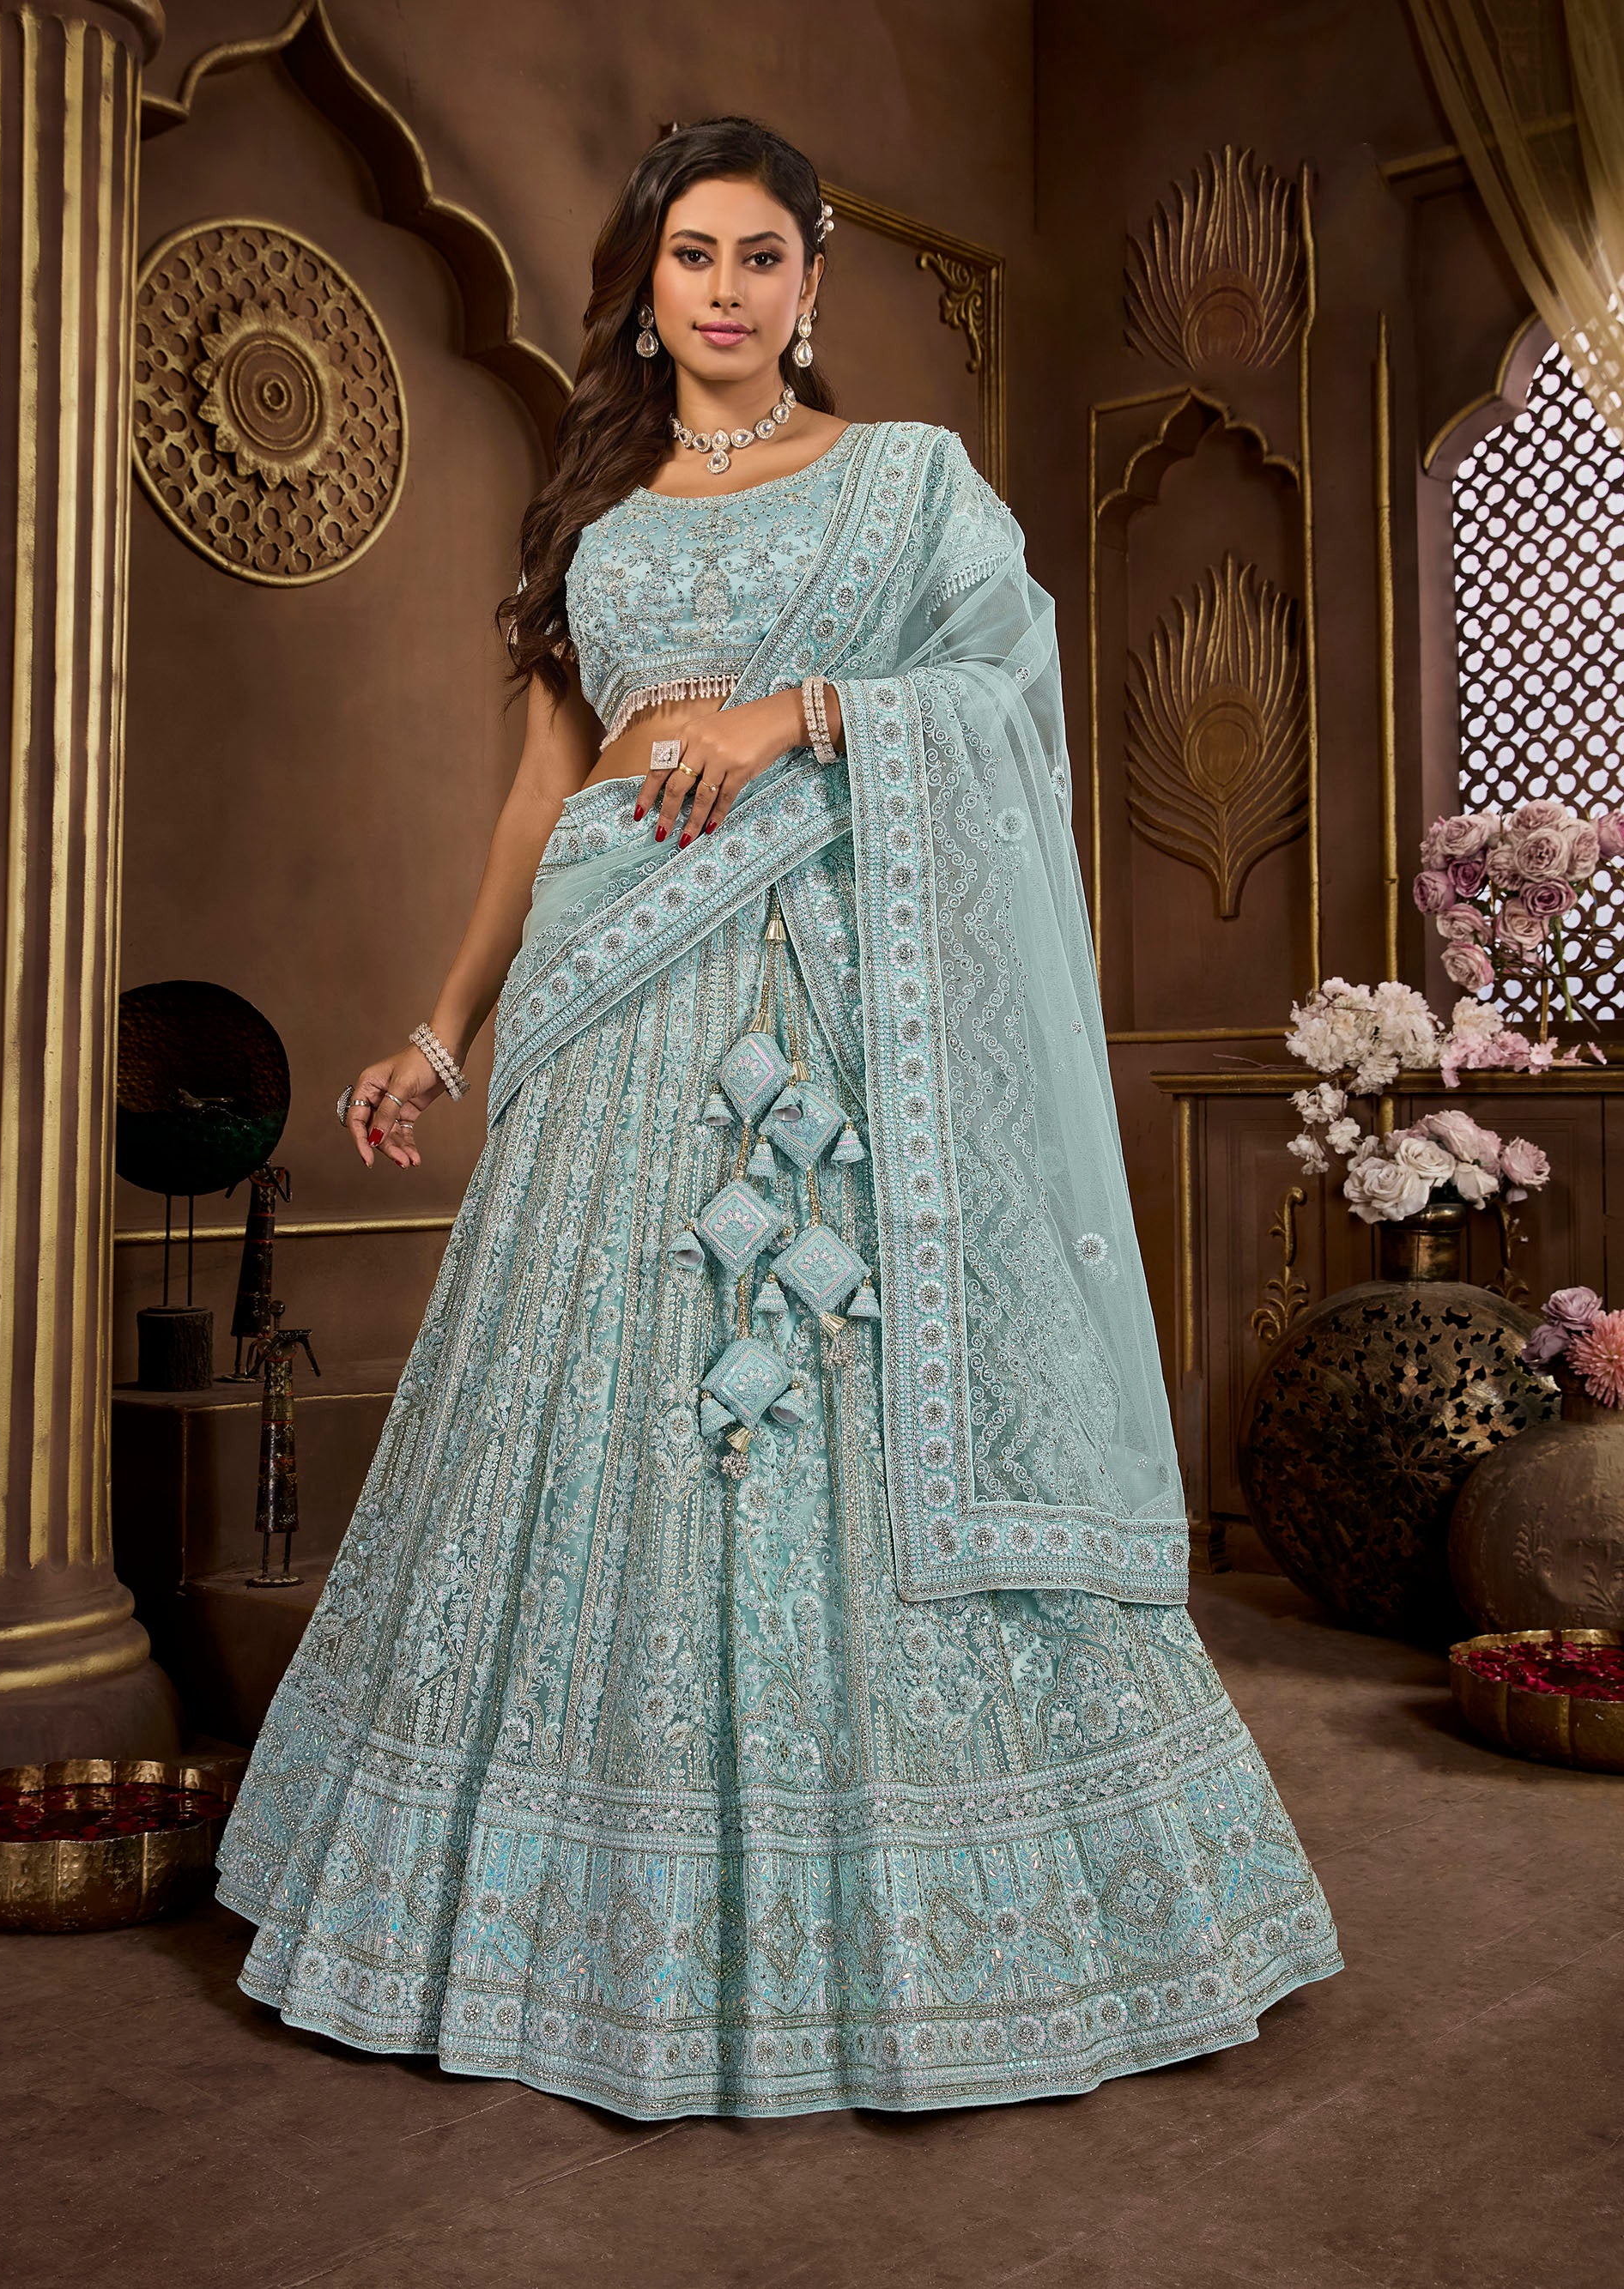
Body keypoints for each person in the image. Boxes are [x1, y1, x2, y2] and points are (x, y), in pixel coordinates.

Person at [215, 116, 1341, 2119]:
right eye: (690, 256)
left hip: (827, 998)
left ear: (812, 277)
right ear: (643, 288)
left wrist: (800, 712)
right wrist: (440, 1031)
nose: (724, 290)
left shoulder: (907, 481)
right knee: (596, 1414)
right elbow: (539, 792)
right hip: (607, 988)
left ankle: (918, 1924)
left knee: (825, 1394)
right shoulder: (590, 513)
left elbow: (1004, 690)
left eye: (759, 255)